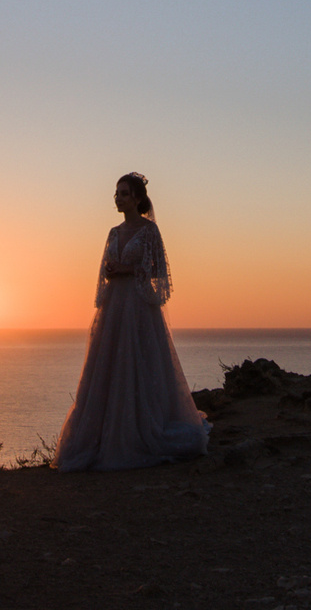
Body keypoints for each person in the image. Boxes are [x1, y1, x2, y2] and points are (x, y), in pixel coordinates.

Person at [54, 171, 209, 470]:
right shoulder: (113, 232)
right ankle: (102, 436)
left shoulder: (150, 231)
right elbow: (103, 271)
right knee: (108, 364)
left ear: (137, 198)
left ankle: (140, 431)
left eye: (124, 193)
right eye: (116, 193)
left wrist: (127, 271)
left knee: (140, 363)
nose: (118, 198)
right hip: (114, 306)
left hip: (138, 306)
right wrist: (112, 272)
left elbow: (160, 274)